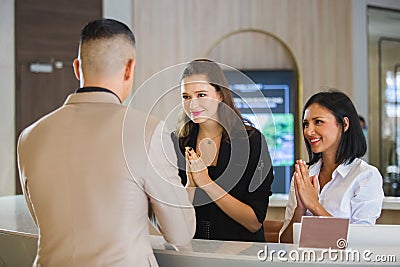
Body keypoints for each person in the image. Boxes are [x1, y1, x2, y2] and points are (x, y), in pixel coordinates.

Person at [17, 18, 195, 267]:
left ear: (77, 68)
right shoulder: (148, 131)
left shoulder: (29, 137)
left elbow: (44, 219)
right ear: (129, 68)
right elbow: (180, 234)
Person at [171, 59, 274, 242]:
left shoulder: (251, 142)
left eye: (201, 95)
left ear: (220, 94)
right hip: (192, 254)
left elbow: (254, 222)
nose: (192, 105)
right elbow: (174, 220)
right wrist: (191, 185)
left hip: (241, 256)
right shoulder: (176, 143)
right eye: (186, 97)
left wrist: (206, 182)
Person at [279, 90, 384, 243]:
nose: (308, 131)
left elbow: (358, 244)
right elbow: (285, 243)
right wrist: (300, 208)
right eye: (306, 124)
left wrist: (314, 206)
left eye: (318, 122)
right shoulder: (304, 176)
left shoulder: (366, 176)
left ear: (344, 124)